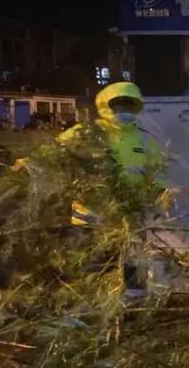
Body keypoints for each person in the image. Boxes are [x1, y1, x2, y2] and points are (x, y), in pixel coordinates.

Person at [58, 80, 165, 298]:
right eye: (119, 106)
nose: (124, 111)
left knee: (134, 266)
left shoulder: (145, 139)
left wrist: (161, 197)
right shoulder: (86, 134)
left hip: (132, 216)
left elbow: (156, 175)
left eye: (129, 106)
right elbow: (53, 154)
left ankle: (135, 312)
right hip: (92, 217)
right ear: (106, 106)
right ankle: (95, 311)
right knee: (94, 267)